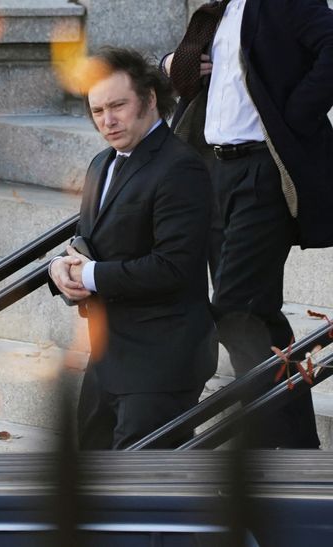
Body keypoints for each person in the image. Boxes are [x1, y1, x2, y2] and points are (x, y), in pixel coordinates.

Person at [163, 0, 333, 448]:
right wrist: (171, 65)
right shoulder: (220, 10)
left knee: (239, 308)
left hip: (262, 169)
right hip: (215, 168)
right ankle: (288, 441)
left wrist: (295, 114)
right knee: (251, 314)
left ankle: (283, 443)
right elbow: (200, 76)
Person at [49, 47, 217, 450]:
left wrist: (89, 275)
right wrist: (58, 268)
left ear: (150, 98)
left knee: (145, 496)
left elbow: (173, 267)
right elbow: (90, 241)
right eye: (97, 111)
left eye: (118, 106)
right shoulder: (101, 164)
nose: (108, 121)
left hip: (162, 361)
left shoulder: (181, 166)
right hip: (108, 357)